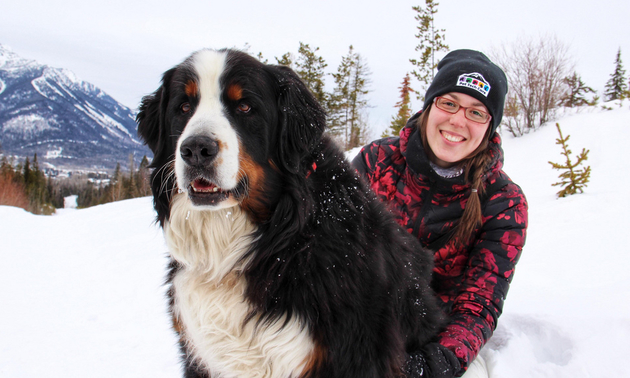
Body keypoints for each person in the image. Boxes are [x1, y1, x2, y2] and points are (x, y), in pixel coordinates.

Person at [352, 49, 528, 378]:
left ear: (490, 127)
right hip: (354, 319)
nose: (458, 120)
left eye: (476, 113)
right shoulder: (377, 160)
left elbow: (479, 305)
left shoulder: (504, 203)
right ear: (430, 106)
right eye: (449, 103)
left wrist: (431, 364)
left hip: (433, 337)